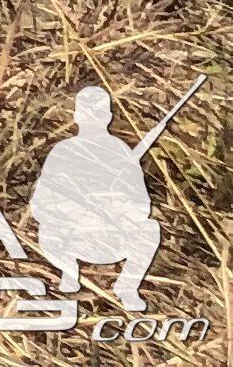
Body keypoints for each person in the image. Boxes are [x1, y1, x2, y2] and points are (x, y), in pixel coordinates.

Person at [28, 86, 161, 312]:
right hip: (72, 238)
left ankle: (127, 286)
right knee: (47, 230)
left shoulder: (121, 152)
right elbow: (41, 204)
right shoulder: (63, 152)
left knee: (150, 229)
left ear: (107, 117)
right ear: (77, 116)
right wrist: (75, 210)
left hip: (114, 239)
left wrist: (113, 206)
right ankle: (69, 275)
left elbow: (142, 207)